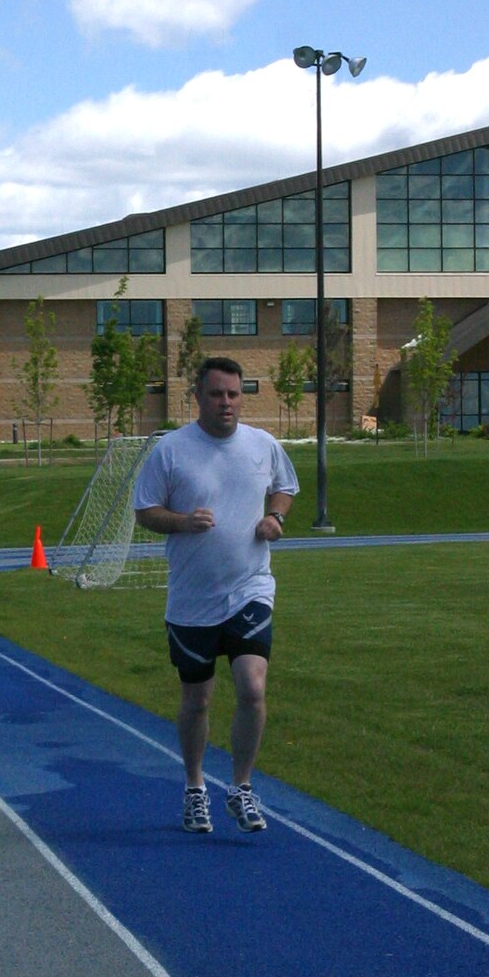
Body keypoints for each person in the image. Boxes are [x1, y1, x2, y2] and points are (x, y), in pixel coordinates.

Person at [134, 355, 298, 834]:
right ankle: (194, 788)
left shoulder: (262, 445)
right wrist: (183, 522)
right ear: (197, 397)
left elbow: (285, 487)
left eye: (233, 394)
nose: (225, 402)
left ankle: (242, 787)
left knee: (252, 687)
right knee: (197, 702)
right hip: (191, 600)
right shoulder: (171, 450)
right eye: (216, 394)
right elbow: (145, 510)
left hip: (249, 588)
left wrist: (276, 518)